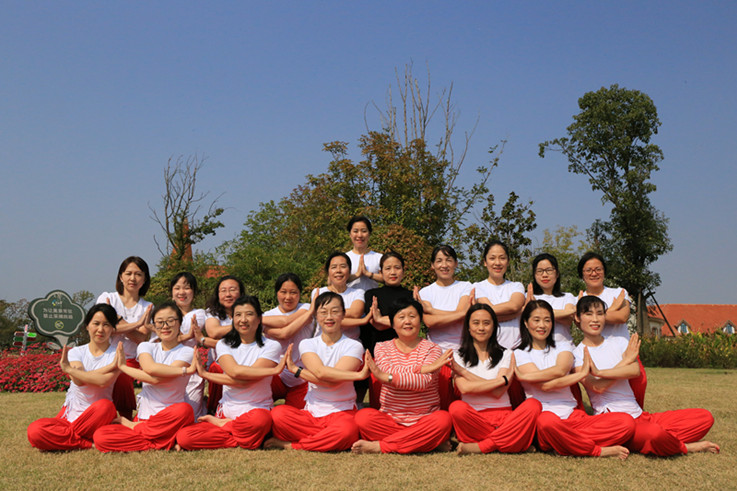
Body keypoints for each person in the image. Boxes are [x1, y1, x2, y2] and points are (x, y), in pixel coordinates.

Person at [573, 295, 719, 457]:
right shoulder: (577, 354)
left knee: (704, 417)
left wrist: (600, 372)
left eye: (600, 313)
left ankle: (658, 439)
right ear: (577, 318)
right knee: (654, 433)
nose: (595, 319)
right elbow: (597, 387)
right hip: (616, 422)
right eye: (588, 314)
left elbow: (634, 370)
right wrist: (624, 362)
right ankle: (685, 447)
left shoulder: (619, 342)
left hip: (640, 415)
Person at [514, 300, 635, 459]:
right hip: (546, 419)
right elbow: (545, 386)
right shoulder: (519, 353)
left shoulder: (563, 346)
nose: (542, 325)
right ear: (526, 322)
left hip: (573, 416)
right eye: (536, 320)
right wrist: (580, 374)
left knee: (626, 422)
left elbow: (561, 370)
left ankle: (565, 442)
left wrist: (526, 377)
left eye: (547, 320)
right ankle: (597, 450)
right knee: (547, 422)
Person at [176, 296, 285, 450]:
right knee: (185, 437)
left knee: (260, 420)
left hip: (256, 412)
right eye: (238, 315)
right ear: (233, 320)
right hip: (227, 412)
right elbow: (235, 372)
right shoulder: (224, 344)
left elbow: (244, 380)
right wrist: (273, 371)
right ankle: (243, 436)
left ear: (259, 319)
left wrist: (206, 374)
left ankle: (228, 428)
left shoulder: (272, 346)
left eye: (249, 314)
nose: (243, 320)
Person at [265, 292, 367, 452]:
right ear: (316, 316)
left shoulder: (354, 346)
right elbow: (320, 373)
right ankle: (325, 438)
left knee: (347, 431)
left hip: (342, 412)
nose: (329, 317)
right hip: (311, 413)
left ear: (343, 314)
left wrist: (297, 371)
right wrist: (357, 376)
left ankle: (294, 445)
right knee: (278, 414)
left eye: (335, 311)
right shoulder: (307, 344)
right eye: (323, 312)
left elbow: (332, 381)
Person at [352, 298, 453, 454]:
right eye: (401, 317)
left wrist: (388, 376)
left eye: (412, 316)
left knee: (443, 420)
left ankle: (382, 446)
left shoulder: (433, 349)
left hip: (425, 420)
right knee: (363, 418)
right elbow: (386, 372)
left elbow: (422, 382)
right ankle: (427, 442)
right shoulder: (382, 347)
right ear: (392, 323)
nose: (407, 321)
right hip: (390, 420)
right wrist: (425, 368)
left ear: (420, 320)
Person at [93, 301, 196, 452]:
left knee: (184, 410)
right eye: (159, 322)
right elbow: (150, 369)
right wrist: (184, 371)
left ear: (180, 323)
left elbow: (157, 379)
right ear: (154, 326)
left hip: (171, 419)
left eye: (170, 321)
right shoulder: (146, 346)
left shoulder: (187, 352)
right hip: (145, 418)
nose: (165, 326)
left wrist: (124, 367)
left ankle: (141, 432)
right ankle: (163, 442)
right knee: (101, 436)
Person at [449, 304, 541, 455]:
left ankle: (482, 446)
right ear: (468, 327)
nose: (481, 328)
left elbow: (498, 393)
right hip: (474, 419)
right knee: (456, 408)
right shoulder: (457, 356)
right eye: (476, 323)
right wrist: (501, 380)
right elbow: (465, 388)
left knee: (533, 405)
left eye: (486, 323)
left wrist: (464, 372)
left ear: (494, 327)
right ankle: (513, 442)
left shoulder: (506, 354)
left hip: (505, 418)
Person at [27, 304, 120, 451]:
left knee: (105, 406)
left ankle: (63, 438)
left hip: (98, 416)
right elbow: (79, 381)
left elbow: (103, 382)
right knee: (35, 430)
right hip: (70, 417)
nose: (100, 329)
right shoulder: (76, 352)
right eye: (96, 323)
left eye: (106, 325)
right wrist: (110, 367)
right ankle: (87, 443)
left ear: (113, 329)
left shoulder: (117, 354)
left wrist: (70, 369)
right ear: (87, 326)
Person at [577, 252, 647, 407]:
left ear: (604, 271)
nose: (594, 273)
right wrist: (613, 308)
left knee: (639, 384)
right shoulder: (579, 299)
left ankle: (637, 413)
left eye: (598, 269)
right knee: (607, 389)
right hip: (599, 354)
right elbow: (579, 323)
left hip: (625, 351)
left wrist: (592, 315)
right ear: (582, 274)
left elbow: (622, 317)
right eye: (588, 270)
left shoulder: (618, 292)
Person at [96, 256, 153, 420]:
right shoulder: (107, 297)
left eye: (138, 274)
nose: (132, 278)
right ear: (121, 276)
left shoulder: (147, 306)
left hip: (131, 358)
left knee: (121, 371)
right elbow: (103, 330)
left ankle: (125, 415)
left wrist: (116, 318)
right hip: (104, 355)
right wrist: (137, 324)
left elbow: (140, 338)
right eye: (128, 273)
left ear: (144, 279)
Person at [417, 244, 472, 409]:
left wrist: (432, 310)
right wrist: (460, 314)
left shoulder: (466, 286)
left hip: (464, 350)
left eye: (448, 260)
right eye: (439, 261)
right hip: (436, 352)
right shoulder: (425, 292)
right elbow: (429, 322)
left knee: (464, 397)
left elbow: (463, 313)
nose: (444, 265)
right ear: (432, 265)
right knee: (441, 401)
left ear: (456, 263)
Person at [362, 251, 414, 407]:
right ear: (381, 272)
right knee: (380, 404)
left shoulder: (411, 296)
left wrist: (383, 318)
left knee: (405, 401)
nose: (393, 272)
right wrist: (402, 320)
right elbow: (376, 323)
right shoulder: (371, 294)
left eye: (397, 268)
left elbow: (412, 324)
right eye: (388, 268)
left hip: (406, 355)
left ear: (403, 271)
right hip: (378, 355)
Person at [262, 273, 316, 408]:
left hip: (302, 377)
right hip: (276, 376)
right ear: (277, 293)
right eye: (283, 292)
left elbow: (285, 331)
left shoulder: (306, 308)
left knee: (297, 413)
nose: (288, 297)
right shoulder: (268, 315)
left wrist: (261, 324)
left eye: (293, 292)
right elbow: (284, 328)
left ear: (300, 293)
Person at [165, 272, 207, 418]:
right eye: (177, 288)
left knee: (190, 413)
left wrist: (173, 337)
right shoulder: (164, 313)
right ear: (171, 292)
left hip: (191, 369)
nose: (181, 292)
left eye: (187, 288)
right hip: (168, 366)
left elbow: (167, 337)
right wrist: (186, 336)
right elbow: (159, 340)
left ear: (194, 292)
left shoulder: (199, 314)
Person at [203, 275, 246, 414]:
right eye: (223, 291)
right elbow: (214, 332)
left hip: (245, 362)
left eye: (232, 290)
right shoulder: (212, 313)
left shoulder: (249, 310)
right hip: (220, 363)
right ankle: (214, 408)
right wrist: (242, 324)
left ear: (241, 293)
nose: (228, 294)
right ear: (218, 294)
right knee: (216, 367)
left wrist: (207, 341)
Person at [473, 240, 525, 350]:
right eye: (492, 258)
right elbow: (487, 313)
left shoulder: (516, 286)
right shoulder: (477, 287)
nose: (497, 263)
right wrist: (518, 313)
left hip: (517, 350)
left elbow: (514, 306)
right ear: (485, 262)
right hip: (488, 350)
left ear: (508, 261)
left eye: (502, 258)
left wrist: (515, 310)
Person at [310, 252, 366, 340]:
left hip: (351, 342)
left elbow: (355, 313)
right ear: (328, 272)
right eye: (334, 267)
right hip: (322, 343)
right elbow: (319, 316)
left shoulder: (358, 292)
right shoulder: (318, 292)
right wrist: (355, 318)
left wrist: (327, 313)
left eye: (343, 266)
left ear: (349, 271)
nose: (338, 270)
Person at [526, 253, 577, 346]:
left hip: (565, 347)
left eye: (549, 270)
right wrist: (568, 311)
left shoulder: (567, 297)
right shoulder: (527, 296)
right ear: (534, 274)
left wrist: (537, 311)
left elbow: (568, 320)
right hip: (537, 348)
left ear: (557, 273)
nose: (544, 275)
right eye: (540, 271)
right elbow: (569, 312)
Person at [345, 215, 383, 292]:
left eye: (364, 231)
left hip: (373, 298)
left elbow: (387, 279)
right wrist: (357, 275)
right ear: (350, 234)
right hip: (348, 299)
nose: (359, 235)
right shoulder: (344, 258)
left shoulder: (379, 257)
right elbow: (333, 281)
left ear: (369, 234)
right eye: (355, 231)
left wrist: (369, 274)